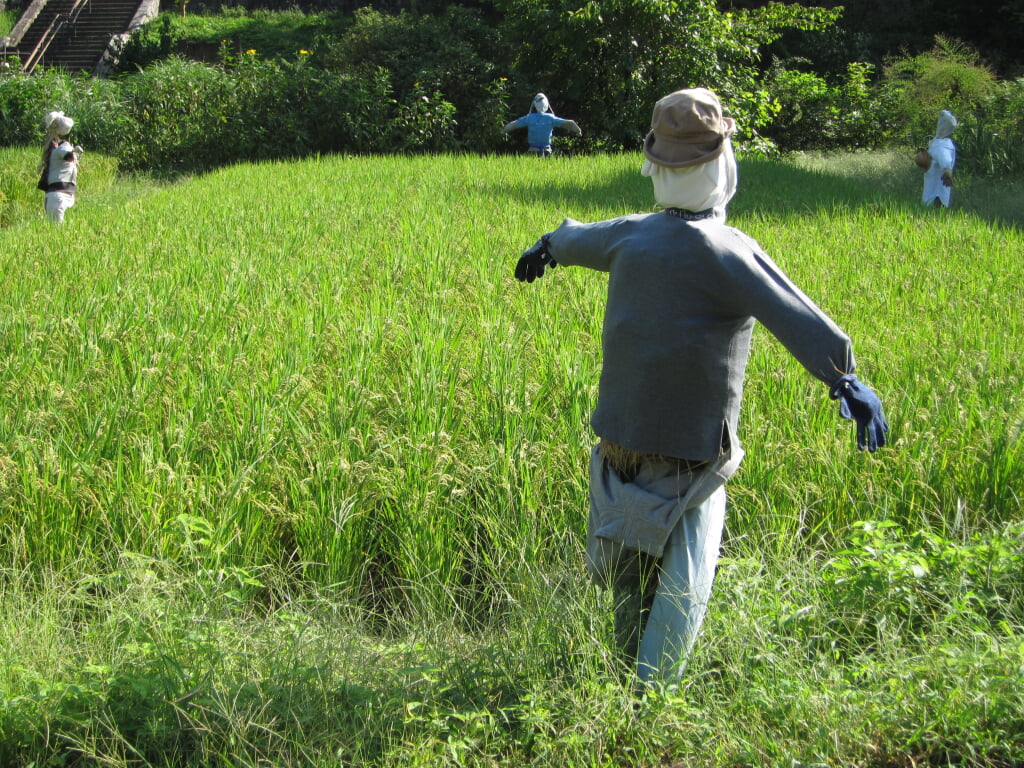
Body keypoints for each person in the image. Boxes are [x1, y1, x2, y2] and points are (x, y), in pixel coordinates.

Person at [513, 87, 888, 685]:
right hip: (693, 454)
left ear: (655, 165)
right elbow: (794, 312)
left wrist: (547, 246)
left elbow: (576, 234)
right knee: (684, 584)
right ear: (721, 164)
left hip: (619, 442)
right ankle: (650, 701)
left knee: (622, 574)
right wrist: (843, 376)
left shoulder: (629, 233)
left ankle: (614, 679)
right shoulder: (729, 249)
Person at [38, 110, 82, 224]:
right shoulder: (63, 147)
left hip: (60, 196)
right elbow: (67, 156)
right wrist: (74, 151)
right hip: (59, 196)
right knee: (57, 233)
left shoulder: (53, 150)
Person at [503, 93, 582, 156]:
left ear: (534, 104)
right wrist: (578, 131)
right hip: (547, 150)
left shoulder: (529, 118)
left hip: (533, 150)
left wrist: (504, 130)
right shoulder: (551, 118)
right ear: (546, 104)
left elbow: (513, 124)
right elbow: (569, 123)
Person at [922, 109, 957, 208]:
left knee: (933, 216)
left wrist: (948, 173)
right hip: (934, 192)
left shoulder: (941, 145)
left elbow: (945, 161)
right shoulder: (939, 144)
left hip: (937, 195)